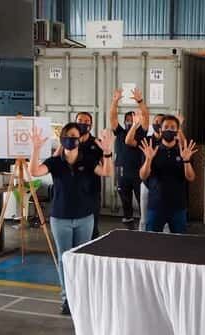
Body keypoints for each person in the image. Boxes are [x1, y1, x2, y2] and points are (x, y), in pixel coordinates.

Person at [29, 123, 114, 315]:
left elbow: (107, 172)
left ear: (79, 139)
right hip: (61, 218)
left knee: (81, 258)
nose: (70, 139)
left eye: (74, 135)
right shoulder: (55, 162)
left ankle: (81, 297)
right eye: (67, 135)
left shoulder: (88, 160)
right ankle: (67, 297)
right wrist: (35, 149)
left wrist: (107, 152)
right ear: (62, 139)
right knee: (65, 259)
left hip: (85, 217)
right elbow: (34, 171)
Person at [138, 115, 197, 233]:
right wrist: (149, 159)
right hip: (155, 205)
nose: (169, 130)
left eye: (172, 127)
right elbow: (143, 176)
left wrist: (186, 160)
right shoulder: (152, 150)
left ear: (177, 131)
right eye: (166, 127)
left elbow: (191, 177)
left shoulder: (184, 151)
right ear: (161, 130)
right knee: (152, 240)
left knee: (179, 241)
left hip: (178, 206)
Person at [109, 88, 148, 230]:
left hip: (138, 173)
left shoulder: (141, 133)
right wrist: (115, 101)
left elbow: (146, 115)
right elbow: (113, 117)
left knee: (142, 201)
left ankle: (144, 224)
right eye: (128, 120)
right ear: (124, 121)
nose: (131, 122)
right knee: (125, 200)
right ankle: (128, 222)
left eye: (133, 120)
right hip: (122, 172)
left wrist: (140, 102)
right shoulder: (119, 132)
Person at [68, 111, 104, 239]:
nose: (83, 124)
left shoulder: (97, 143)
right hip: (71, 191)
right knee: (72, 227)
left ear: (91, 125)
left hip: (91, 191)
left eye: (86, 122)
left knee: (92, 229)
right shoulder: (69, 142)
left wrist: (107, 151)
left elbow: (106, 169)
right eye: (80, 121)